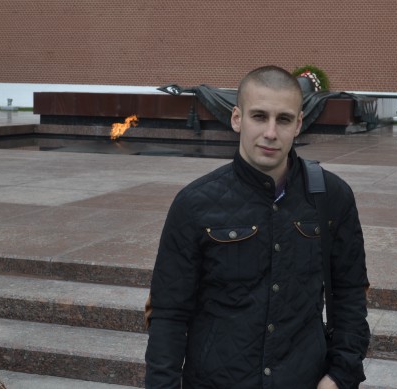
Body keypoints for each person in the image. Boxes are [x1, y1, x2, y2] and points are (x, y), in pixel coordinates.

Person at [145, 65, 370, 389]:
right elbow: (168, 314)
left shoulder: (333, 198)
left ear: (299, 124)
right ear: (237, 118)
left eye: (283, 119)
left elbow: (350, 295)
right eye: (259, 117)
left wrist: (339, 377)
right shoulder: (193, 205)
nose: (270, 132)